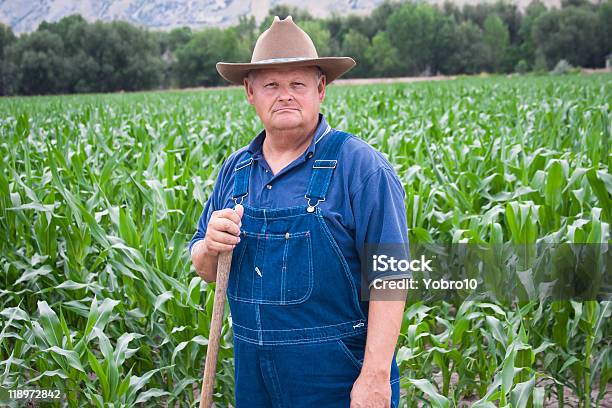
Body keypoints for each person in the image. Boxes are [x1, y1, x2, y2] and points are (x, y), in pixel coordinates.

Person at [189, 15, 410, 408]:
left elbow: (391, 276)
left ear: (320, 89)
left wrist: (375, 377)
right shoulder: (236, 170)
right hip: (253, 379)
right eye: (271, 84)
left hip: (336, 379)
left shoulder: (360, 167)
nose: (284, 95)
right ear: (250, 92)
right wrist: (210, 245)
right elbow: (204, 267)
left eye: (297, 84)